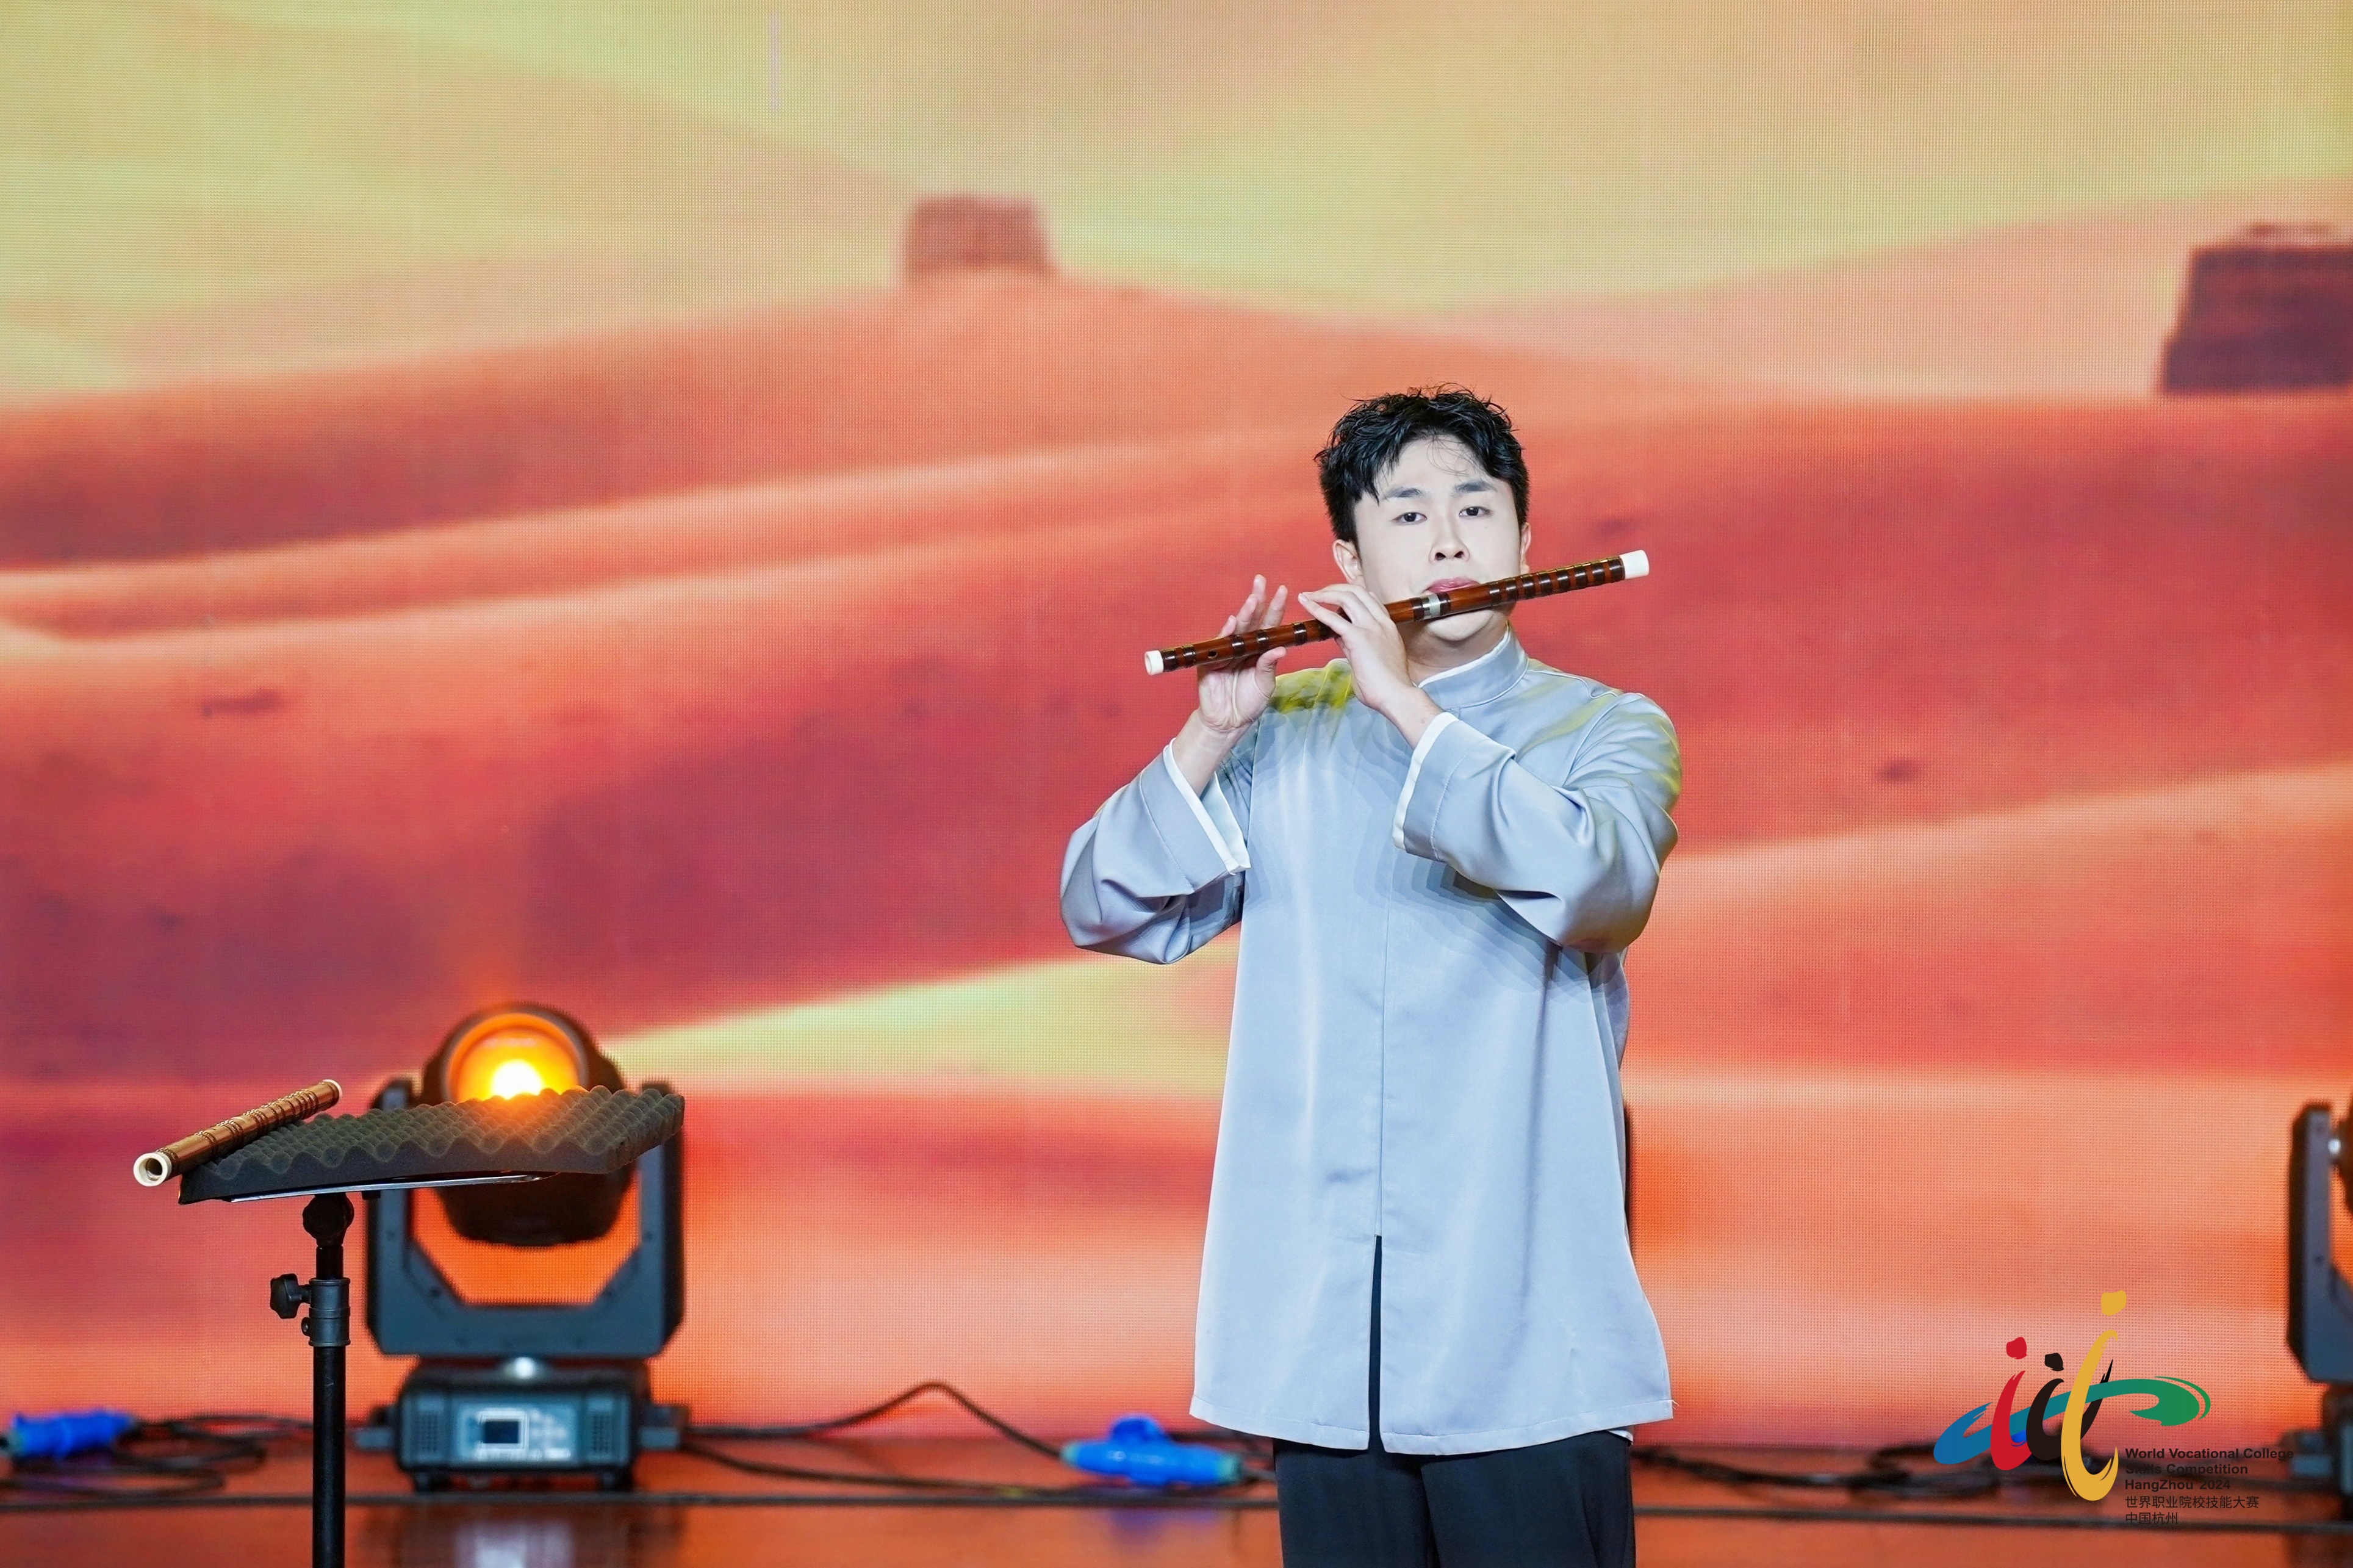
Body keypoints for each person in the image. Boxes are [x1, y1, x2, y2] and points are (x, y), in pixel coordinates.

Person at [1059, 387, 1679, 1566]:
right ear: (1348, 560)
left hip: (1523, 1330)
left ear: (1525, 539)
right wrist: (1211, 732)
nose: (1447, 541)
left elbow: (1601, 889)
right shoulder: (1283, 728)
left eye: (1475, 509)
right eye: (1406, 514)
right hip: (1324, 1333)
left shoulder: (1608, 728)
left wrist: (1405, 705)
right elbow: (1105, 904)